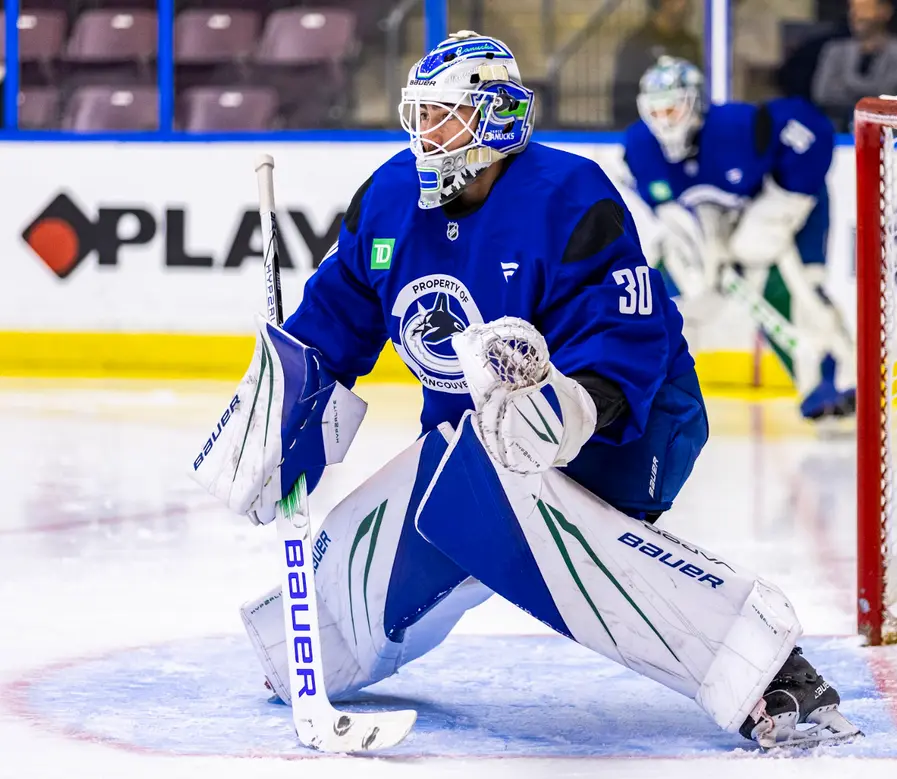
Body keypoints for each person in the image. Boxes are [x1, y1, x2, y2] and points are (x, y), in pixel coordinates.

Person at [189, 32, 859, 751]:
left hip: (631, 425)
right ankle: (319, 646)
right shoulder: (386, 201)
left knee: (519, 518)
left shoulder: (569, 198)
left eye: (447, 117)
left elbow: (626, 343)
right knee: (403, 519)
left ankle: (764, 668)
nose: (426, 135)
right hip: (474, 441)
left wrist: (563, 411)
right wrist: (281, 413)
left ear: (499, 120)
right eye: (420, 115)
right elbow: (330, 324)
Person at [622, 56, 856, 421]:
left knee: (799, 285)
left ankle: (835, 379)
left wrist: (782, 205)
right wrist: (700, 244)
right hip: (715, 227)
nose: (663, 121)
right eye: (655, 111)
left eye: (672, 109)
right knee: (666, 291)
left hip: (780, 213)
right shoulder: (640, 147)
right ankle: (636, 383)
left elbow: (814, 131)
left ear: (695, 102)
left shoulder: (738, 127)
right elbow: (660, 205)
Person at [812, 0, 897, 131]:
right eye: (852, 8)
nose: (855, 14)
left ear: (885, 11)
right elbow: (823, 94)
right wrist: (872, 97)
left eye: (863, 8)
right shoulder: (834, 51)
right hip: (839, 135)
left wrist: (847, 86)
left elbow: (892, 94)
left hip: (890, 136)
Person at [611, 0, 703, 128]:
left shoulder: (690, 44)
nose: (685, 4)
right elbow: (624, 99)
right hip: (648, 129)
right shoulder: (637, 45)